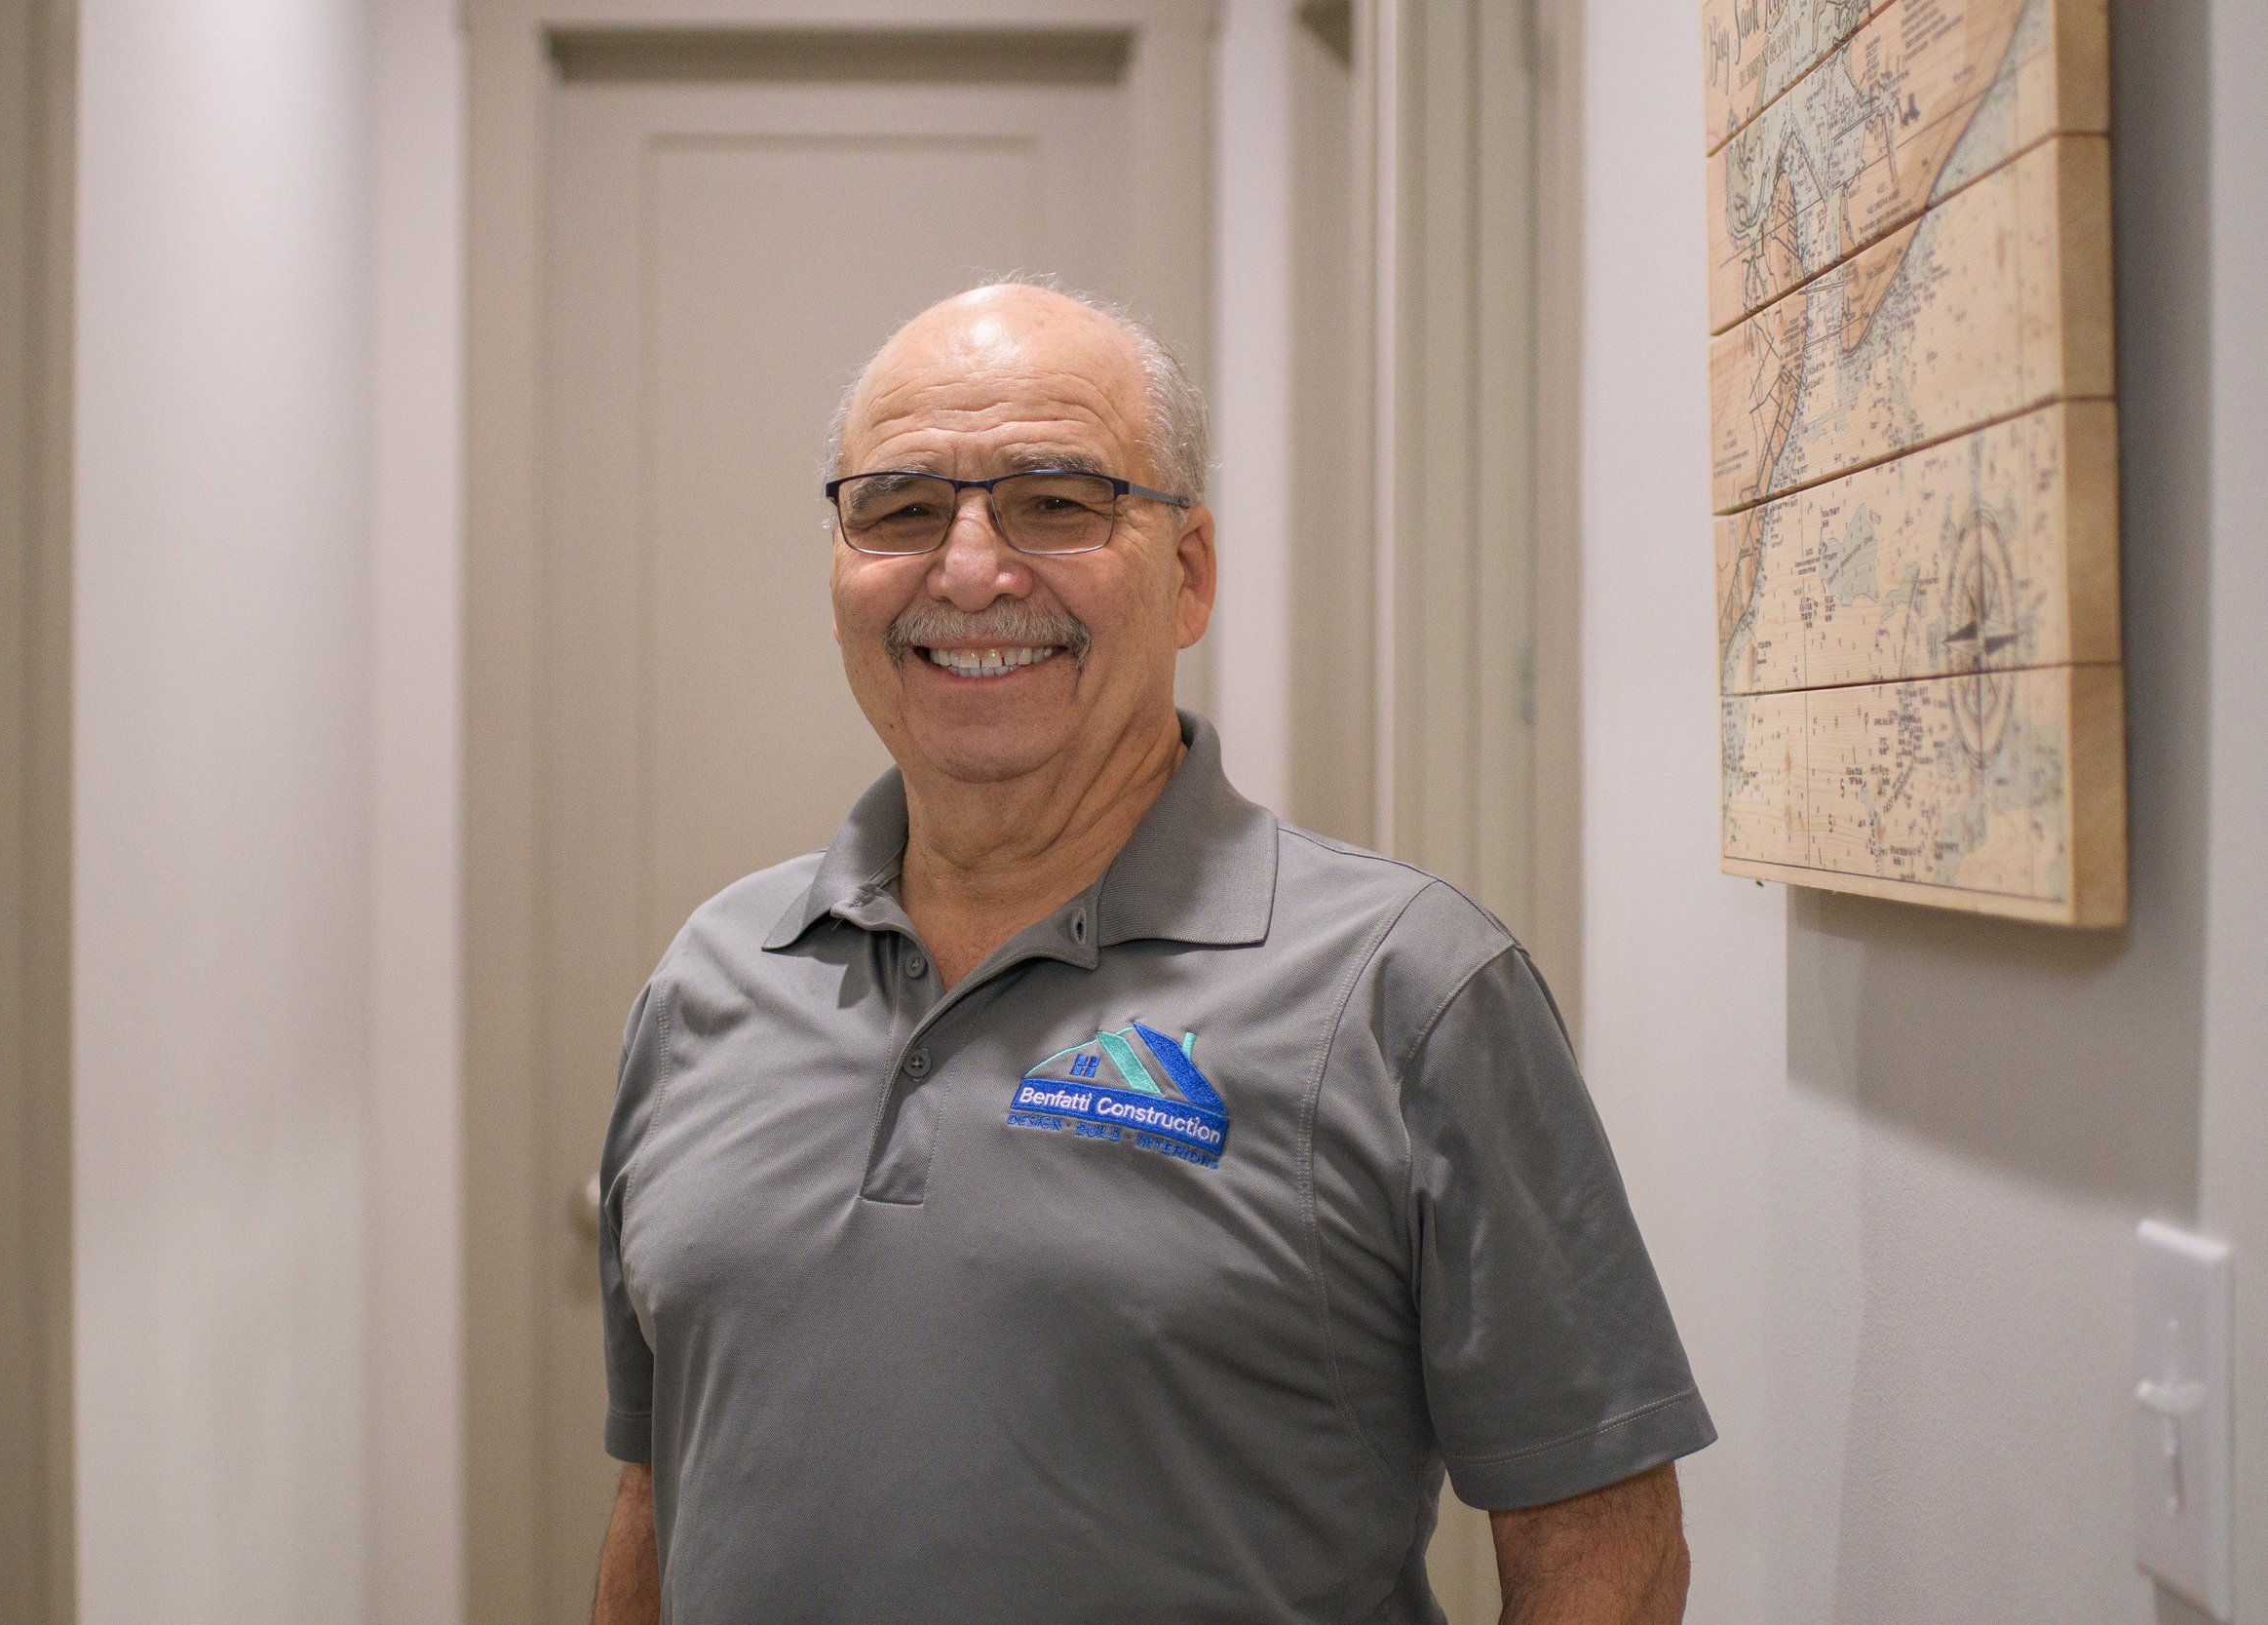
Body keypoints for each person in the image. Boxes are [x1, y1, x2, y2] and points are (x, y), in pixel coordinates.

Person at [592, 281, 1713, 1625]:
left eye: (1056, 501)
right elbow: (661, 1494)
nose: (967, 569)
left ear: (1188, 575)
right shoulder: (712, 978)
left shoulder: (1408, 995)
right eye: (898, 508)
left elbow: (1600, 1547)